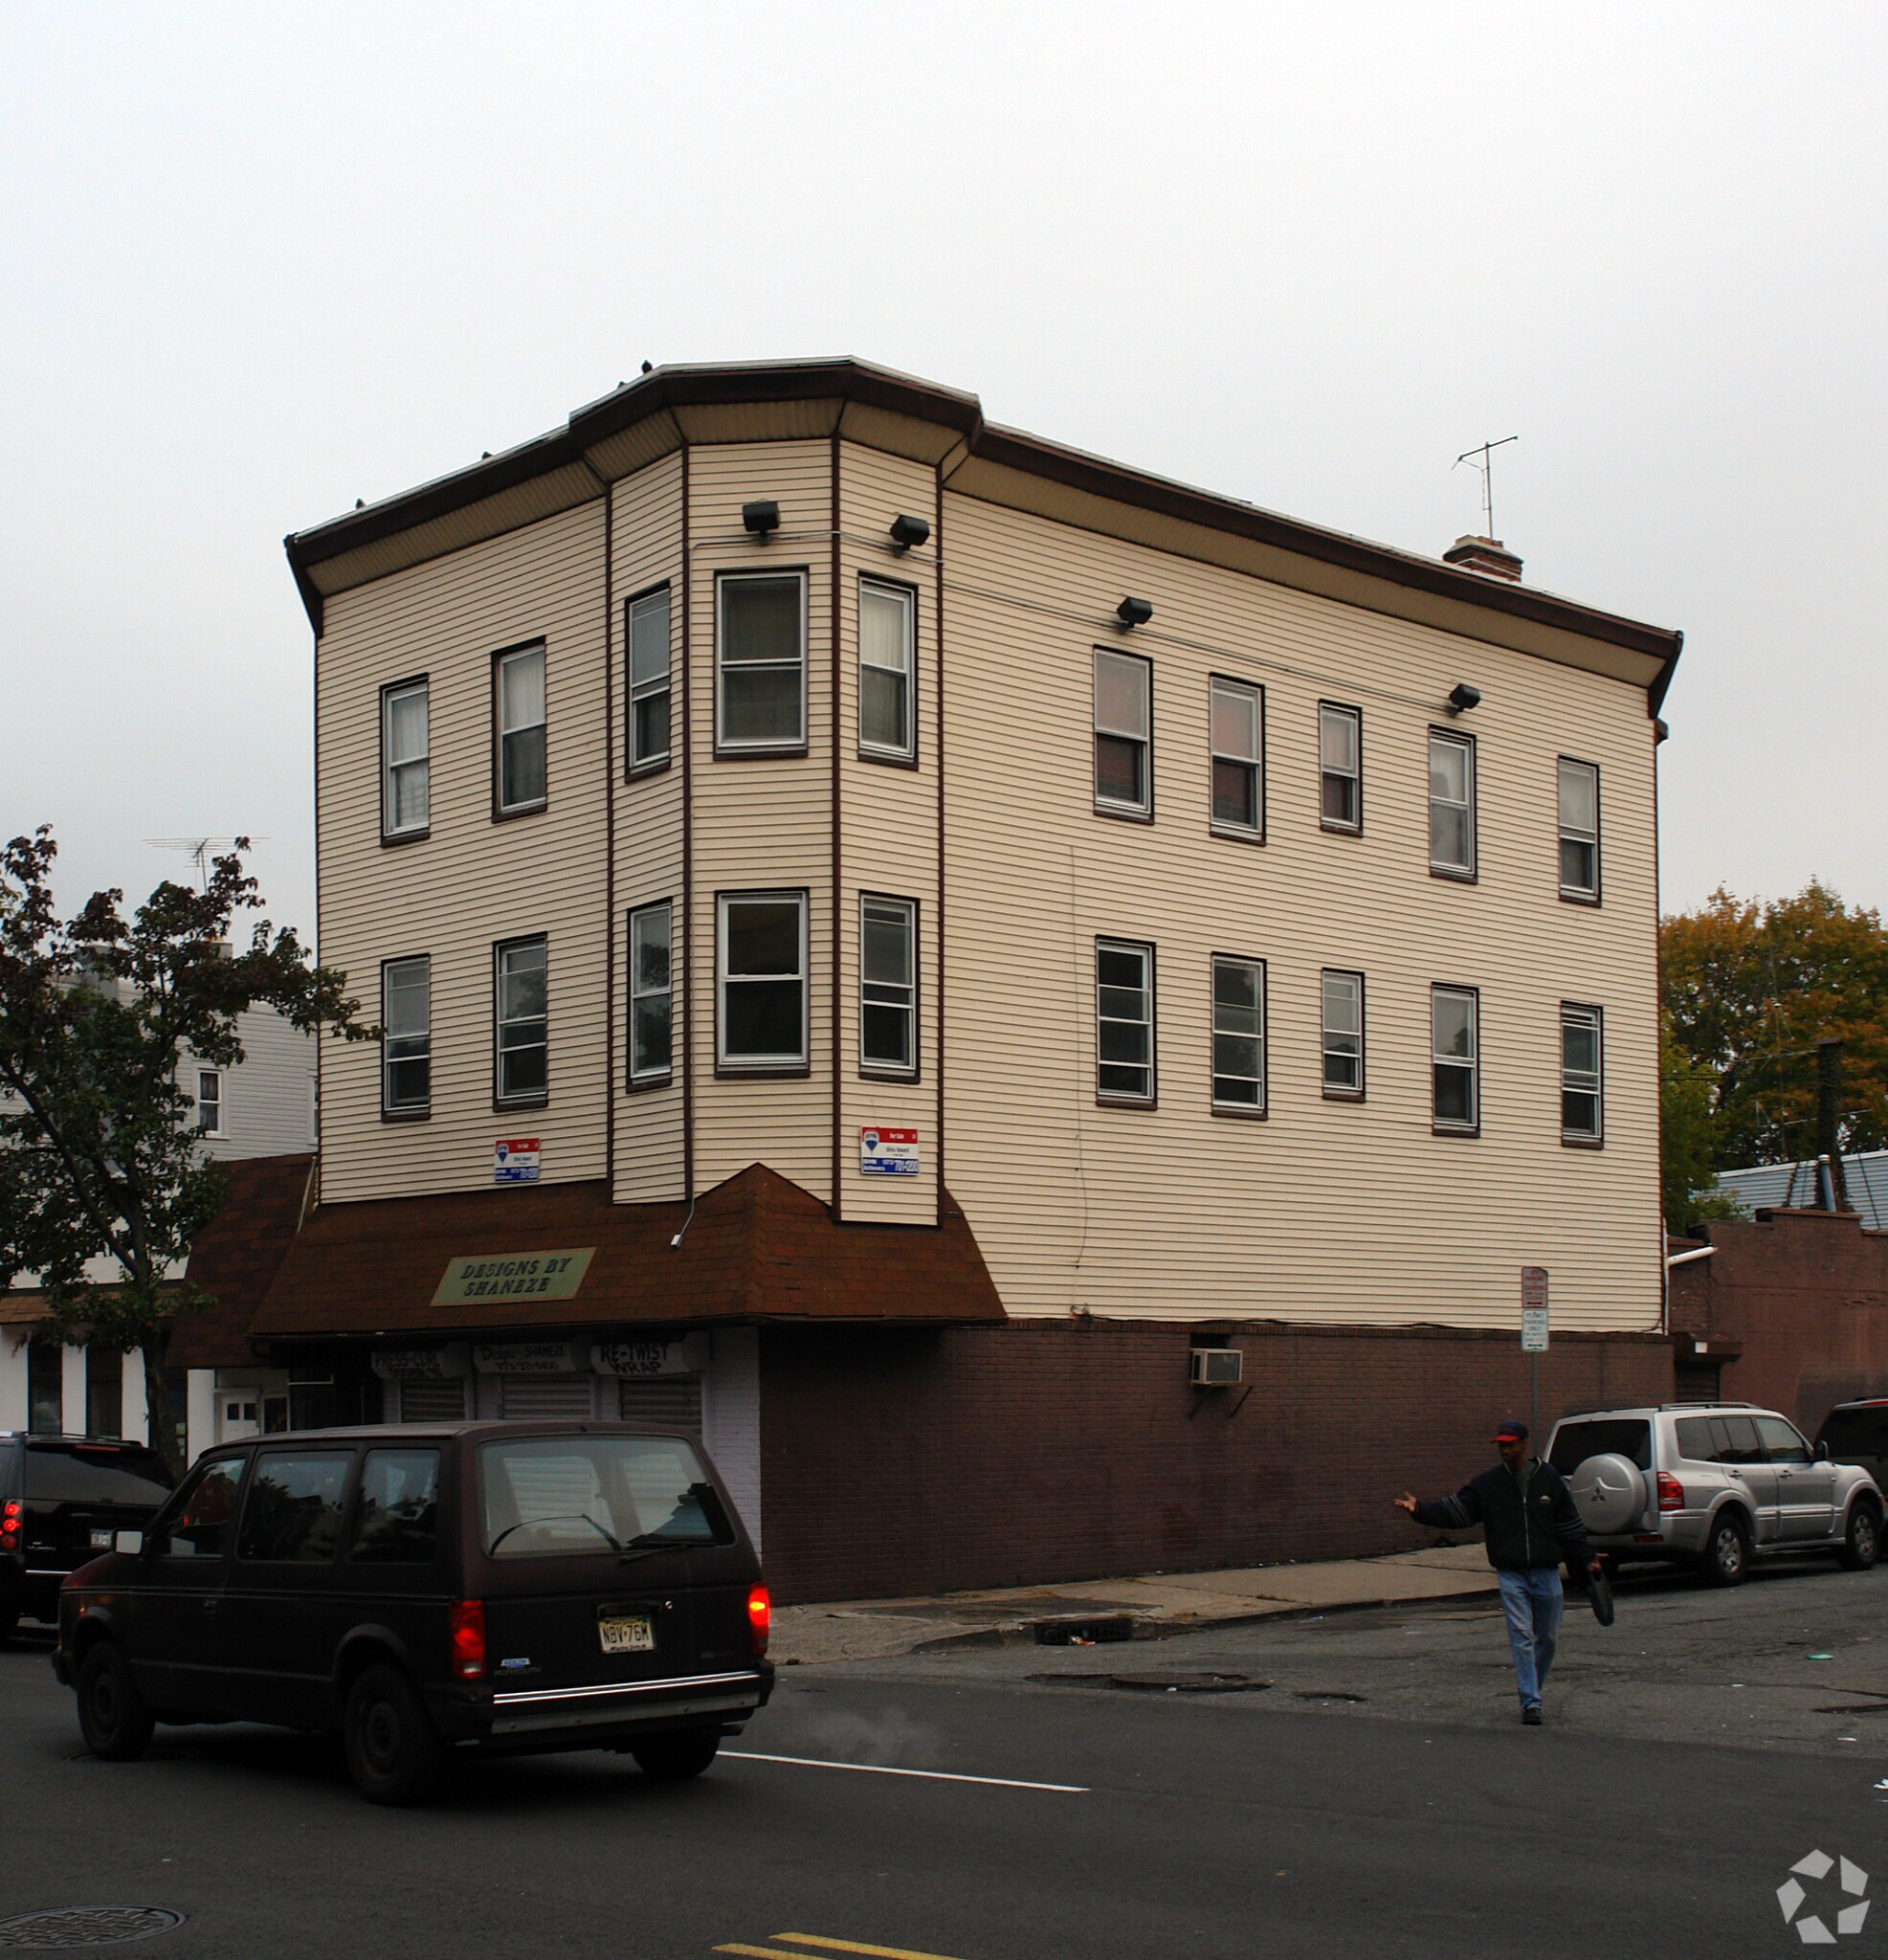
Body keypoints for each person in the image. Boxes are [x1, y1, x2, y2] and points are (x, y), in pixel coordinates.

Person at [1394, 1418, 1601, 1726]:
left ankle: (1534, 1687)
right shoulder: (1489, 1483)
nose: (1504, 1449)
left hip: (1545, 1570)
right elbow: (1459, 1509)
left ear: (1523, 1444)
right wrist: (1421, 1510)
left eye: (1510, 1444)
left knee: (1547, 1636)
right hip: (1511, 1572)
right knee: (1521, 1634)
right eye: (1500, 1444)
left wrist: (1586, 1557)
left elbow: (1568, 1523)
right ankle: (1531, 1701)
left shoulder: (1549, 1479)